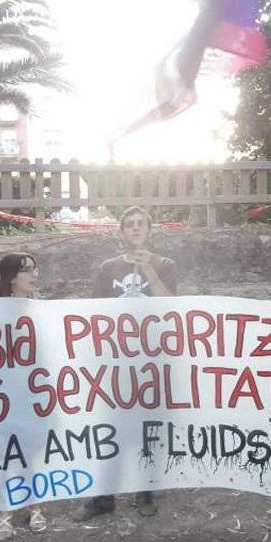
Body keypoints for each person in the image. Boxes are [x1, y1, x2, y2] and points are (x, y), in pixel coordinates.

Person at [73, 206, 177, 521]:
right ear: (121, 233)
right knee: (108, 423)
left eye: (140, 224)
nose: (134, 229)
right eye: (129, 225)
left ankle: (143, 490)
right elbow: (95, 311)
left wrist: (149, 271)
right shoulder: (108, 267)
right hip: (114, 357)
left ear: (149, 231)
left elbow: (172, 307)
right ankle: (103, 494)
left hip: (150, 358)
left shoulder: (165, 265)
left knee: (147, 424)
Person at [0, 253, 48, 540]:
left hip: (32, 391)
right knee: (2, 452)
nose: (34, 274)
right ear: (12, 276)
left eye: (35, 268)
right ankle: (5, 512)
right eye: (27, 270)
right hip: (0, 392)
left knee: (30, 451)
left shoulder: (41, 308)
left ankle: (34, 506)